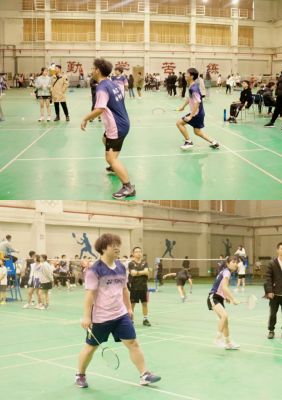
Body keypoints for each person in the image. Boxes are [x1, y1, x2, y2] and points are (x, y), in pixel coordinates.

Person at [75, 233, 161, 389]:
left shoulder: (121, 267)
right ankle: (80, 375)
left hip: (120, 315)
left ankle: (144, 374)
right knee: (91, 347)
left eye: (118, 245)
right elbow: (89, 295)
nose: (117, 248)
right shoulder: (94, 270)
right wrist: (86, 317)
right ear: (103, 248)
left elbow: (124, 289)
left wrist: (128, 308)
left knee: (133, 343)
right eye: (113, 245)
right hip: (101, 318)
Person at [80, 58, 136, 200]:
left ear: (98, 70)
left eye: (93, 68)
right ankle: (114, 165)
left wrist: (85, 118)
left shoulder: (102, 87)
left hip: (116, 126)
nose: (91, 71)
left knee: (110, 158)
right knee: (105, 139)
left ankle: (128, 187)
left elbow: (100, 109)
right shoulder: (112, 83)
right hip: (122, 122)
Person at [176, 68, 220, 151]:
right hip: (199, 113)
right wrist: (183, 107)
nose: (185, 75)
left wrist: (190, 116)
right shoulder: (192, 85)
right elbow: (190, 98)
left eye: (187, 74)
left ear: (192, 76)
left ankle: (188, 142)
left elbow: (197, 102)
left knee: (179, 123)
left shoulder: (194, 88)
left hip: (196, 114)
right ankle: (214, 142)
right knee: (197, 132)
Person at [207, 256, 240, 350]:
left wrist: (226, 298)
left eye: (236, 262)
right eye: (233, 262)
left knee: (225, 321)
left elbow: (221, 287)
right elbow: (224, 287)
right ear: (228, 263)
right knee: (224, 316)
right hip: (213, 297)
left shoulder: (225, 272)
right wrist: (233, 299)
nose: (235, 264)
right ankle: (217, 339)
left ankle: (228, 343)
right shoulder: (227, 272)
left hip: (219, 298)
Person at [128, 247, 151, 327]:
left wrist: (138, 272)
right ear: (133, 254)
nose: (138, 253)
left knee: (145, 303)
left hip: (144, 286)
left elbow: (147, 272)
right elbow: (133, 273)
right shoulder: (131, 263)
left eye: (140, 252)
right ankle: (131, 320)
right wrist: (143, 272)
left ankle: (145, 319)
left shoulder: (145, 263)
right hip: (134, 287)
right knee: (132, 304)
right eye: (136, 252)